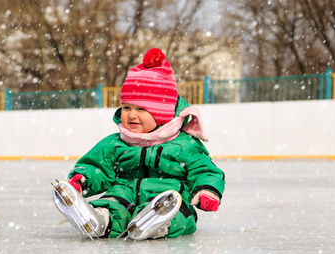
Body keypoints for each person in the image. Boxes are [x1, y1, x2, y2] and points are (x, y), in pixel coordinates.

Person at [52, 48, 225, 240]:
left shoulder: (184, 144)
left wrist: (207, 190)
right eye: (126, 107)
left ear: (162, 114)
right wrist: (83, 180)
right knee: (112, 204)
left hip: (167, 195)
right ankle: (99, 220)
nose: (131, 115)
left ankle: (159, 224)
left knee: (177, 212)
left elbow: (205, 170)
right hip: (124, 191)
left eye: (141, 109)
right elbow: (97, 167)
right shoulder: (116, 142)